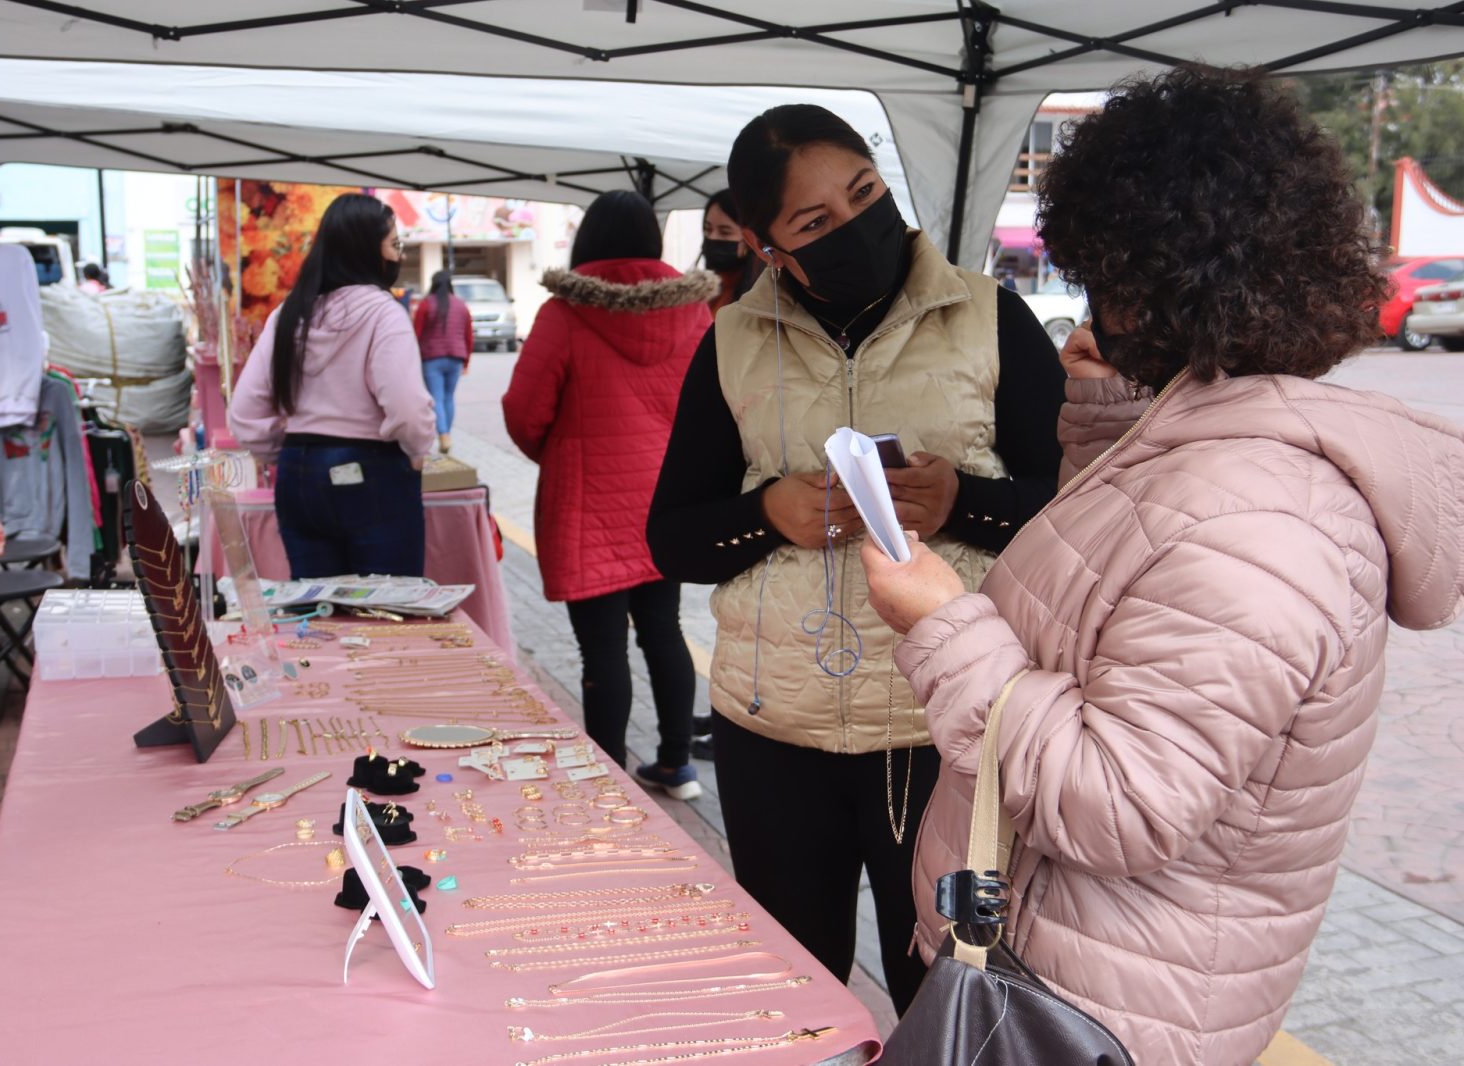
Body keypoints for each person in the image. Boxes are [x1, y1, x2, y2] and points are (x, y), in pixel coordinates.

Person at [861, 66, 1464, 1065]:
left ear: (1145, 279)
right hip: (1071, 964)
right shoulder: (1211, 452)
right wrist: (1112, 424)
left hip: (1092, 1009)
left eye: (1105, 273)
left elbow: (1121, 802)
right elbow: (1119, 601)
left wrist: (942, 623)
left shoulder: (1262, 520)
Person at [647, 105, 1066, 1013]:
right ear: (766, 249)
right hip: (774, 733)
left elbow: (1082, 517)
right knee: (795, 996)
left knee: (946, 994)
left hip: (942, 735)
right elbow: (672, 537)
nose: (853, 225)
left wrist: (968, 501)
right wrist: (767, 514)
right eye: (815, 222)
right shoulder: (729, 343)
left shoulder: (992, 317)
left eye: (863, 193)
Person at [504, 190, 718, 800]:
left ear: (588, 243)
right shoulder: (693, 313)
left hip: (587, 502)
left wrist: (563, 450)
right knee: (664, 630)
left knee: (602, 650)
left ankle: (608, 779)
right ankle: (677, 765)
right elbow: (713, 410)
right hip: (665, 503)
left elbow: (524, 411)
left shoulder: (565, 313)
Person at [230, 192, 435, 580]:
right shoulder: (383, 312)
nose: (398, 255)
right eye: (394, 245)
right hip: (372, 472)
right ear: (365, 251)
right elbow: (407, 407)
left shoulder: (290, 313)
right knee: (389, 616)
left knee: (318, 619)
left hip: (298, 476)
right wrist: (417, 448)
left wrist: (285, 452)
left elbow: (244, 411)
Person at [411, 270, 473, 454]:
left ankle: (444, 435)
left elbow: (416, 333)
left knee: (436, 397)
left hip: (431, 358)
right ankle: (446, 435)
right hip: (456, 357)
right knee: (448, 397)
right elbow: (469, 335)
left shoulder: (426, 304)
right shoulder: (461, 305)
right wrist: (466, 361)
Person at [701, 189, 762, 315]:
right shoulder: (706, 288)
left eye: (725, 232)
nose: (712, 237)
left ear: (750, 238)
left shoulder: (765, 294)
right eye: (707, 229)